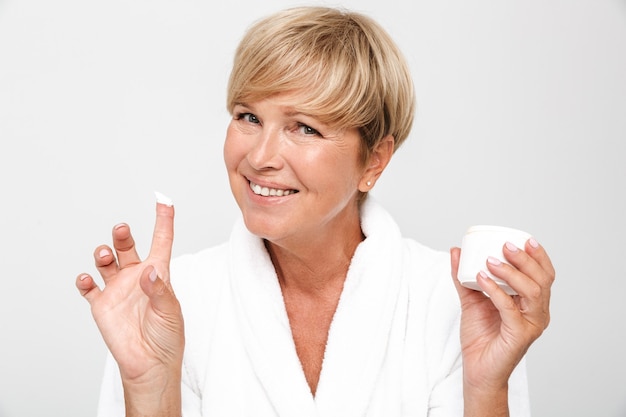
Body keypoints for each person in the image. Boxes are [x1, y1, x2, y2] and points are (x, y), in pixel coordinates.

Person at [76, 6, 555, 417]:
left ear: (375, 160)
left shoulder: (449, 304)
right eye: (248, 117)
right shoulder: (171, 304)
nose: (261, 156)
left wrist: (488, 391)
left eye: (304, 128)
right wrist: (149, 391)